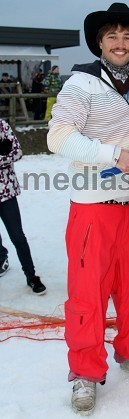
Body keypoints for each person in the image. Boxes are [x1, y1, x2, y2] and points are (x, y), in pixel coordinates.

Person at [47, 2, 129, 416]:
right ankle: (85, 372)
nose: (120, 43)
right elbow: (58, 138)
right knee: (88, 294)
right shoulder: (81, 85)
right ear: (100, 42)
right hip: (93, 208)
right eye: (112, 36)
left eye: (127, 36)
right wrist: (112, 153)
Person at [0, 118, 46, 294]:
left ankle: (31, 276)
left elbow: (17, 153)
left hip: (7, 193)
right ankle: (1, 260)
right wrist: (4, 155)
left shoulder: (2, 125)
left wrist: (5, 155)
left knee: (18, 236)